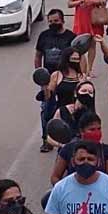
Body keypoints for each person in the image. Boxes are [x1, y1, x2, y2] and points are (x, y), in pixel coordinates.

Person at [36, 11, 77, 152]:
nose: (53, 24)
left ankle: (69, 139)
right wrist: (40, 77)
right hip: (49, 81)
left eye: (56, 21)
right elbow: (38, 55)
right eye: (50, 21)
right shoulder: (44, 36)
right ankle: (47, 140)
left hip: (66, 80)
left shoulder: (71, 37)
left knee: (67, 111)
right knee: (46, 110)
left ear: (62, 20)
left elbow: (78, 57)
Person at [51, 112, 108, 182]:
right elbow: (55, 177)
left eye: (99, 129)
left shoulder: (106, 150)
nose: (97, 132)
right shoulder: (68, 149)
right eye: (92, 129)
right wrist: (63, 190)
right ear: (81, 131)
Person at [68, 0, 105, 77]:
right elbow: (69, 3)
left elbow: (103, 1)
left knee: (92, 45)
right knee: (80, 46)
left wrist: (93, 1)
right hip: (81, 19)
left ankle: (90, 69)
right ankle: (82, 70)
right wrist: (79, 1)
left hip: (94, 19)